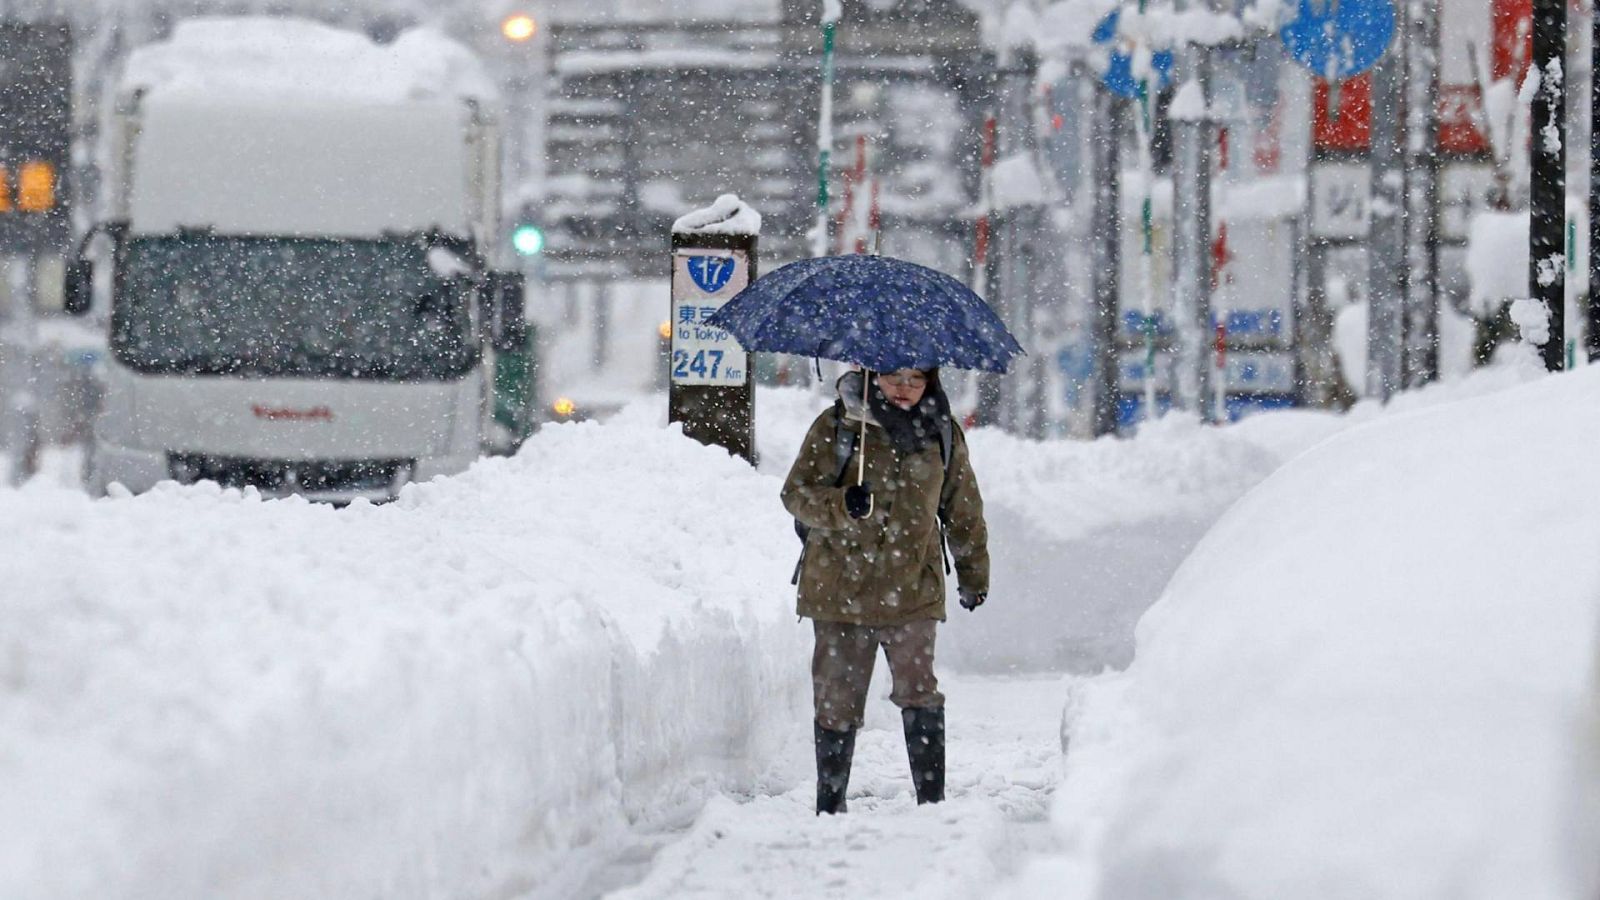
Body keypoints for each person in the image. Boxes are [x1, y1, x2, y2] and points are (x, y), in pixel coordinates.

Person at [781, 365, 990, 814]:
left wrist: (974, 575)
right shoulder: (837, 425)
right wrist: (840, 504)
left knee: (920, 692)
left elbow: (963, 506)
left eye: (916, 380)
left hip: (912, 587)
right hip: (840, 589)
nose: (904, 389)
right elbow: (795, 494)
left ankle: (931, 803)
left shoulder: (942, 433)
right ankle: (829, 805)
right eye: (894, 377)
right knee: (836, 701)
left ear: (929, 383)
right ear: (873, 375)